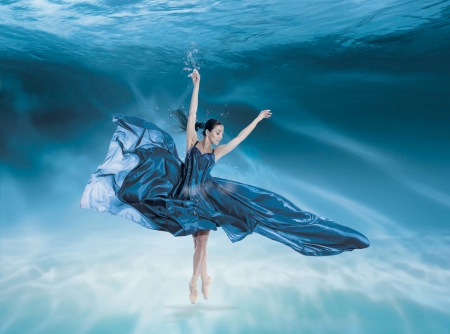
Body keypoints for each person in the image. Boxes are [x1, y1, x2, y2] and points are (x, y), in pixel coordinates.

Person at [80, 69, 369, 304]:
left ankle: (194, 282)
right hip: (180, 195)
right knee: (197, 242)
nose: (220, 137)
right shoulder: (192, 144)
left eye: (221, 134)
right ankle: (206, 277)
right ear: (207, 131)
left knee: (202, 240)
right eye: (217, 132)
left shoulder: (216, 153)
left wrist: (256, 119)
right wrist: (197, 84)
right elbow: (192, 115)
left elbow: (240, 138)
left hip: (207, 198)